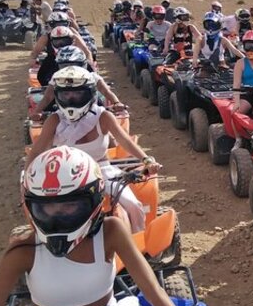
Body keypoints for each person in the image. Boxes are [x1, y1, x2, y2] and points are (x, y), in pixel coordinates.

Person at [0, 146, 203, 306]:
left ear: (94, 200)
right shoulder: (23, 250)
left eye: (70, 206)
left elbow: (151, 287)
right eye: (46, 209)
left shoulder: (110, 231)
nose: (57, 218)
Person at [26, 66, 160, 233]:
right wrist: (26, 179)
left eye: (77, 93)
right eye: (66, 94)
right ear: (57, 96)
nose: (71, 99)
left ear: (89, 93)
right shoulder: (54, 120)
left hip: (101, 172)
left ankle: (138, 249)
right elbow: (37, 150)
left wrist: (146, 160)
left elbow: (124, 140)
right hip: (65, 177)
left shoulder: (102, 116)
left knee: (134, 206)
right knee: (42, 217)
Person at [30, 46, 124, 120]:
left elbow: (106, 91)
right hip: (63, 115)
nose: (70, 69)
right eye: (65, 66)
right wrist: (37, 112)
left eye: (74, 65)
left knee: (110, 136)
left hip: (92, 115)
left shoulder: (92, 76)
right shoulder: (56, 78)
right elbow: (47, 97)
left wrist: (116, 103)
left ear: (83, 64)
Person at [30, 25, 94, 87]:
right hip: (59, 91)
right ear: (52, 41)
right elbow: (42, 79)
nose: (61, 44)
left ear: (72, 40)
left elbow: (91, 73)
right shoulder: (50, 60)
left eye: (64, 41)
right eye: (57, 42)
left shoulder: (79, 57)